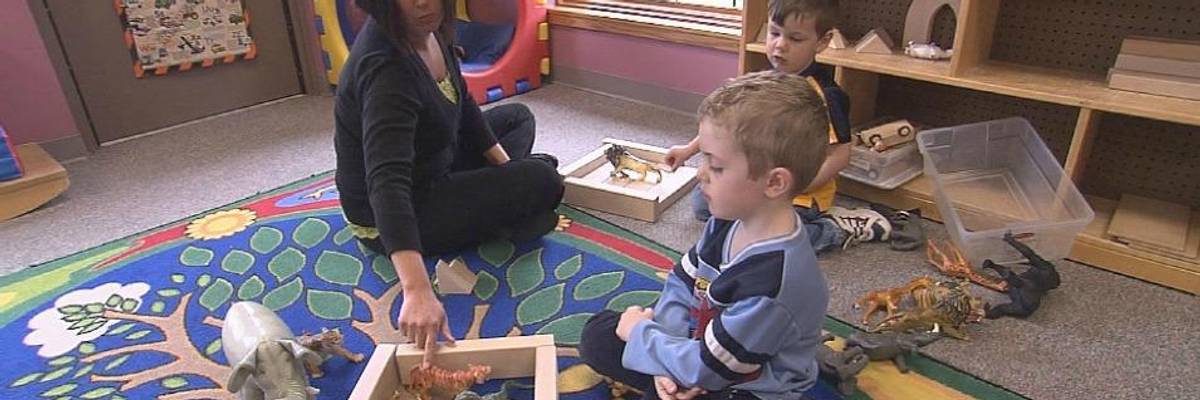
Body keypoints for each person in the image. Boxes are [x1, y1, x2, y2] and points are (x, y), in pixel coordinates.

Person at [334, 0, 563, 365]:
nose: (424, 2)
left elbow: (465, 106)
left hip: (432, 159)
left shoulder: (432, 25)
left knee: (518, 119)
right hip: (392, 212)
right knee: (545, 178)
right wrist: (416, 289)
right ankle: (509, 212)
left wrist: (505, 174)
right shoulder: (386, 68)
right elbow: (387, 181)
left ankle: (507, 207)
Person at [579, 71, 831, 400]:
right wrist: (662, 359)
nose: (700, 173)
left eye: (716, 166)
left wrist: (647, 340)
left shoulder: (773, 281)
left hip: (747, 387)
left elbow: (709, 371)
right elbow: (682, 283)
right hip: (705, 354)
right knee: (597, 335)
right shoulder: (727, 220)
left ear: (774, 183)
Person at [665, 0, 891, 253]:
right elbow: (725, 127)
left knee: (773, 243)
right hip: (759, 179)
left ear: (822, 41)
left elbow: (840, 154)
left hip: (800, 193)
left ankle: (837, 227)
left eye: (795, 39)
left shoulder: (825, 95)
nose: (780, 45)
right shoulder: (763, 82)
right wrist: (688, 149)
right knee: (703, 204)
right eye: (774, 33)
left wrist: (802, 185)